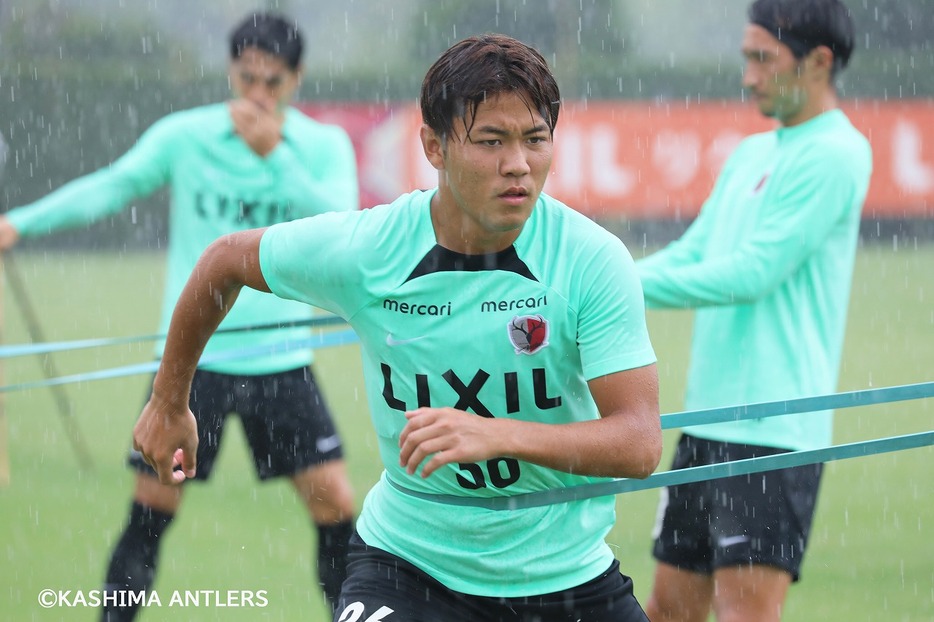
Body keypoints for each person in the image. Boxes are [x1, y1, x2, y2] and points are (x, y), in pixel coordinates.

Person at [132, 33, 662, 622]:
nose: (519, 164)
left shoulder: (592, 258)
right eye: (491, 141)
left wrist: (500, 434)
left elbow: (638, 442)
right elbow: (225, 260)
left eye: (536, 140)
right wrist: (168, 400)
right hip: (409, 570)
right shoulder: (371, 249)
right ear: (433, 147)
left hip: (570, 581)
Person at [0, 12, 359, 620]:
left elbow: (343, 229)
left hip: (284, 364)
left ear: (296, 81)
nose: (257, 94)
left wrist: (276, 156)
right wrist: (19, 223)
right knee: (150, 513)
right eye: (246, 78)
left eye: (273, 82)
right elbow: (112, 186)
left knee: (336, 513)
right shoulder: (185, 136)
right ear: (230, 71)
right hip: (193, 365)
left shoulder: (322, 146)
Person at [636, 1, 873, 621]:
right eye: (747, 58)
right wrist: (602, 280)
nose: (748, 75)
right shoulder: (750, 153)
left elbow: (752, 274)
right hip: (706, 424)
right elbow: (694, 252)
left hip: (773, 436)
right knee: (667, 611)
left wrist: (617, 291)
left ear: (819, 61)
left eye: (763, 59)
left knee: (746, 616)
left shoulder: (837, 152)